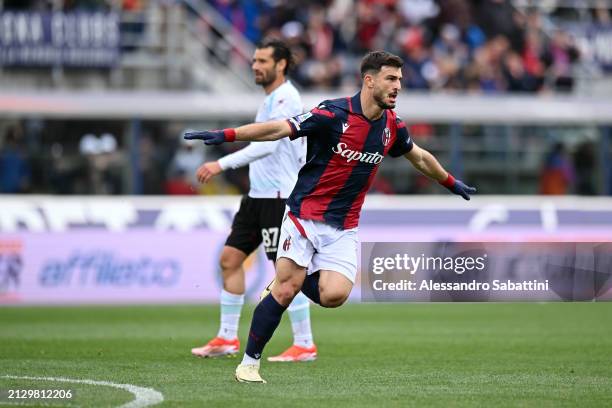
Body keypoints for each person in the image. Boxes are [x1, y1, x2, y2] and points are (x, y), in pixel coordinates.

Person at [185, 50, 476, 383]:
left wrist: (450, 182)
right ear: (369, 80)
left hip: (344, 226)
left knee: (334, 295)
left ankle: (285, 278)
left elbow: (420, 158)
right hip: (304, 215)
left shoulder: (392, 127)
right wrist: (228, 135)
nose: (398, 86)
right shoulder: (332, 113)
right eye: (391, 79)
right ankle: (249, 363)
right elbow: (279, 129)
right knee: (286, 289)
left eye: (400, 80)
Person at [190, 39, 318, 363]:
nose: (255, 66)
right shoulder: (269, 100)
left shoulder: (287, 98)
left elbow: (268, 145)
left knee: (285, 273)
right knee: (230, 260)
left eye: (262, 61)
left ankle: (304, 343)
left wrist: (222, 162)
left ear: (281, 65)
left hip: (279, 197)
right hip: (256, 197)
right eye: (254, 60)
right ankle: (227, 338)